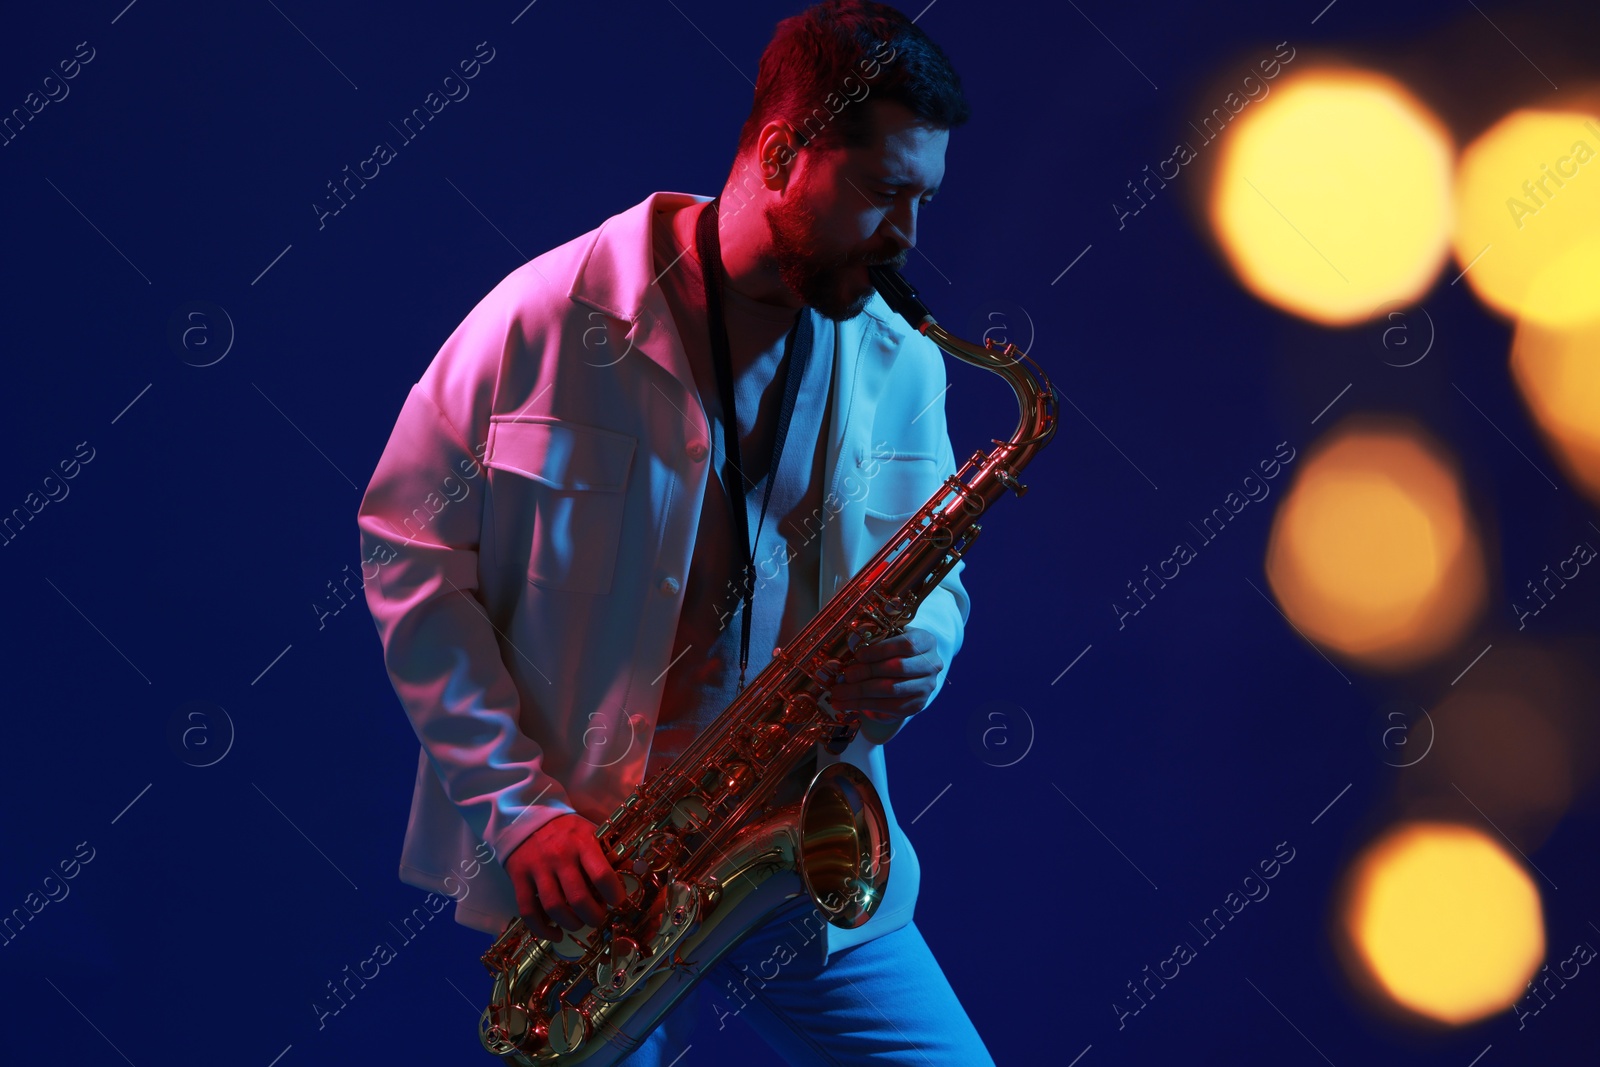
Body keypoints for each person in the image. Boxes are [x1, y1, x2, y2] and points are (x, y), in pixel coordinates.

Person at [357, 2, 992, 1062]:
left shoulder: (901, 359)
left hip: (789, 844)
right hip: (594, 872)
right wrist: (516, 811)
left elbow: (930, 568)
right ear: (784, 152)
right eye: (884, 194)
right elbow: (406, 550)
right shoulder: (543, 317)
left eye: (921, 202)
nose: (906, 241)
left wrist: (923, 643)